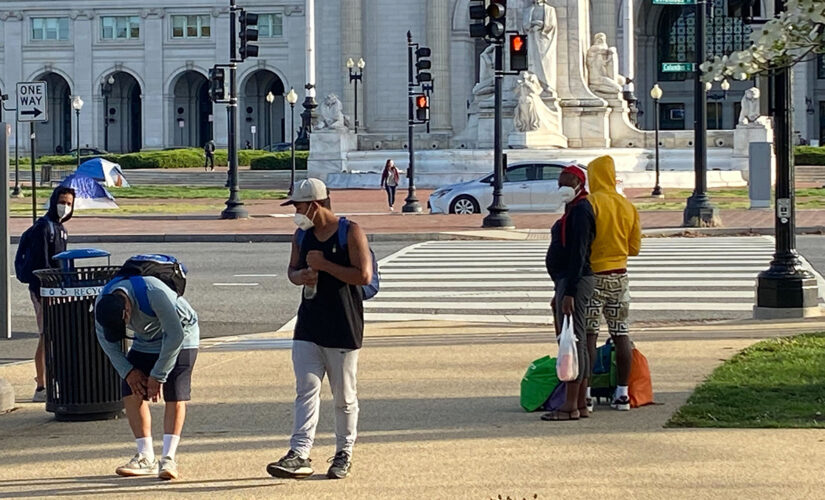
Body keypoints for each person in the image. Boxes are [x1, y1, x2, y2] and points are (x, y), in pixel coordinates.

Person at [267, 178, 372, 480]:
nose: (295, 212)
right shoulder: (301, 236)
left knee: (344, 396)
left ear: (314, 205)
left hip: (343, 324)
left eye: (298, 206)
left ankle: (344, 453)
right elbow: (291, 271)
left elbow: (363, 275)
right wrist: (300, 275)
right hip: (309, 324)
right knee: (305, 391)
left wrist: (326, 266)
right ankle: (299, 453)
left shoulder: (350, 231)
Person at [94, 277, 200, 480]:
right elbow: (106, 341)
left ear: (127, 309)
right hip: (146, 338)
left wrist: (158, 375)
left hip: (182, 334)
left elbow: (175, 335)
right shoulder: (103, 303)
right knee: (131, 389)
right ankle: (146, 456)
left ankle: (168, 458)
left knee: (174, 391)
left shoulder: (154, 293)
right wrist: (128, 371)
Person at [584, 155, 641, 412]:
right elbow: (634, 248)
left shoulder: (590, 203)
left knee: (589, 335)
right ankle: (622, 393)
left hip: (594, 276)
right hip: (620, 275)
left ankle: (585, 392)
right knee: (621, 335)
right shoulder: (627, 206)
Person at [543, 165, 595, 421]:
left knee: (574, 343)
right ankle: (579, 404)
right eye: (559, 181)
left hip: (576, 280)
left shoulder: (581, 211)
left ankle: (570, 405)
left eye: (565, 181)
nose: (560, 186)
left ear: (577, 182)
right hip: (567, 281)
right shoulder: (573, 208)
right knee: (578, 341)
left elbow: (579, 253)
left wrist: (570, 292)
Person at [15, 186, 75, 402]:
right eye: (62, 201)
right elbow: (42, 263)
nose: (65, 206)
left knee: (52, 335)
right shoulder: (44, 228)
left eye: (69, 203)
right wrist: (45, 290)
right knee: (46, 335)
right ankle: (41, 385)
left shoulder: (60, 228)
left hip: (57, 289)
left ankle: (50, 381)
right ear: (53, 202)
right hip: (43, 290)